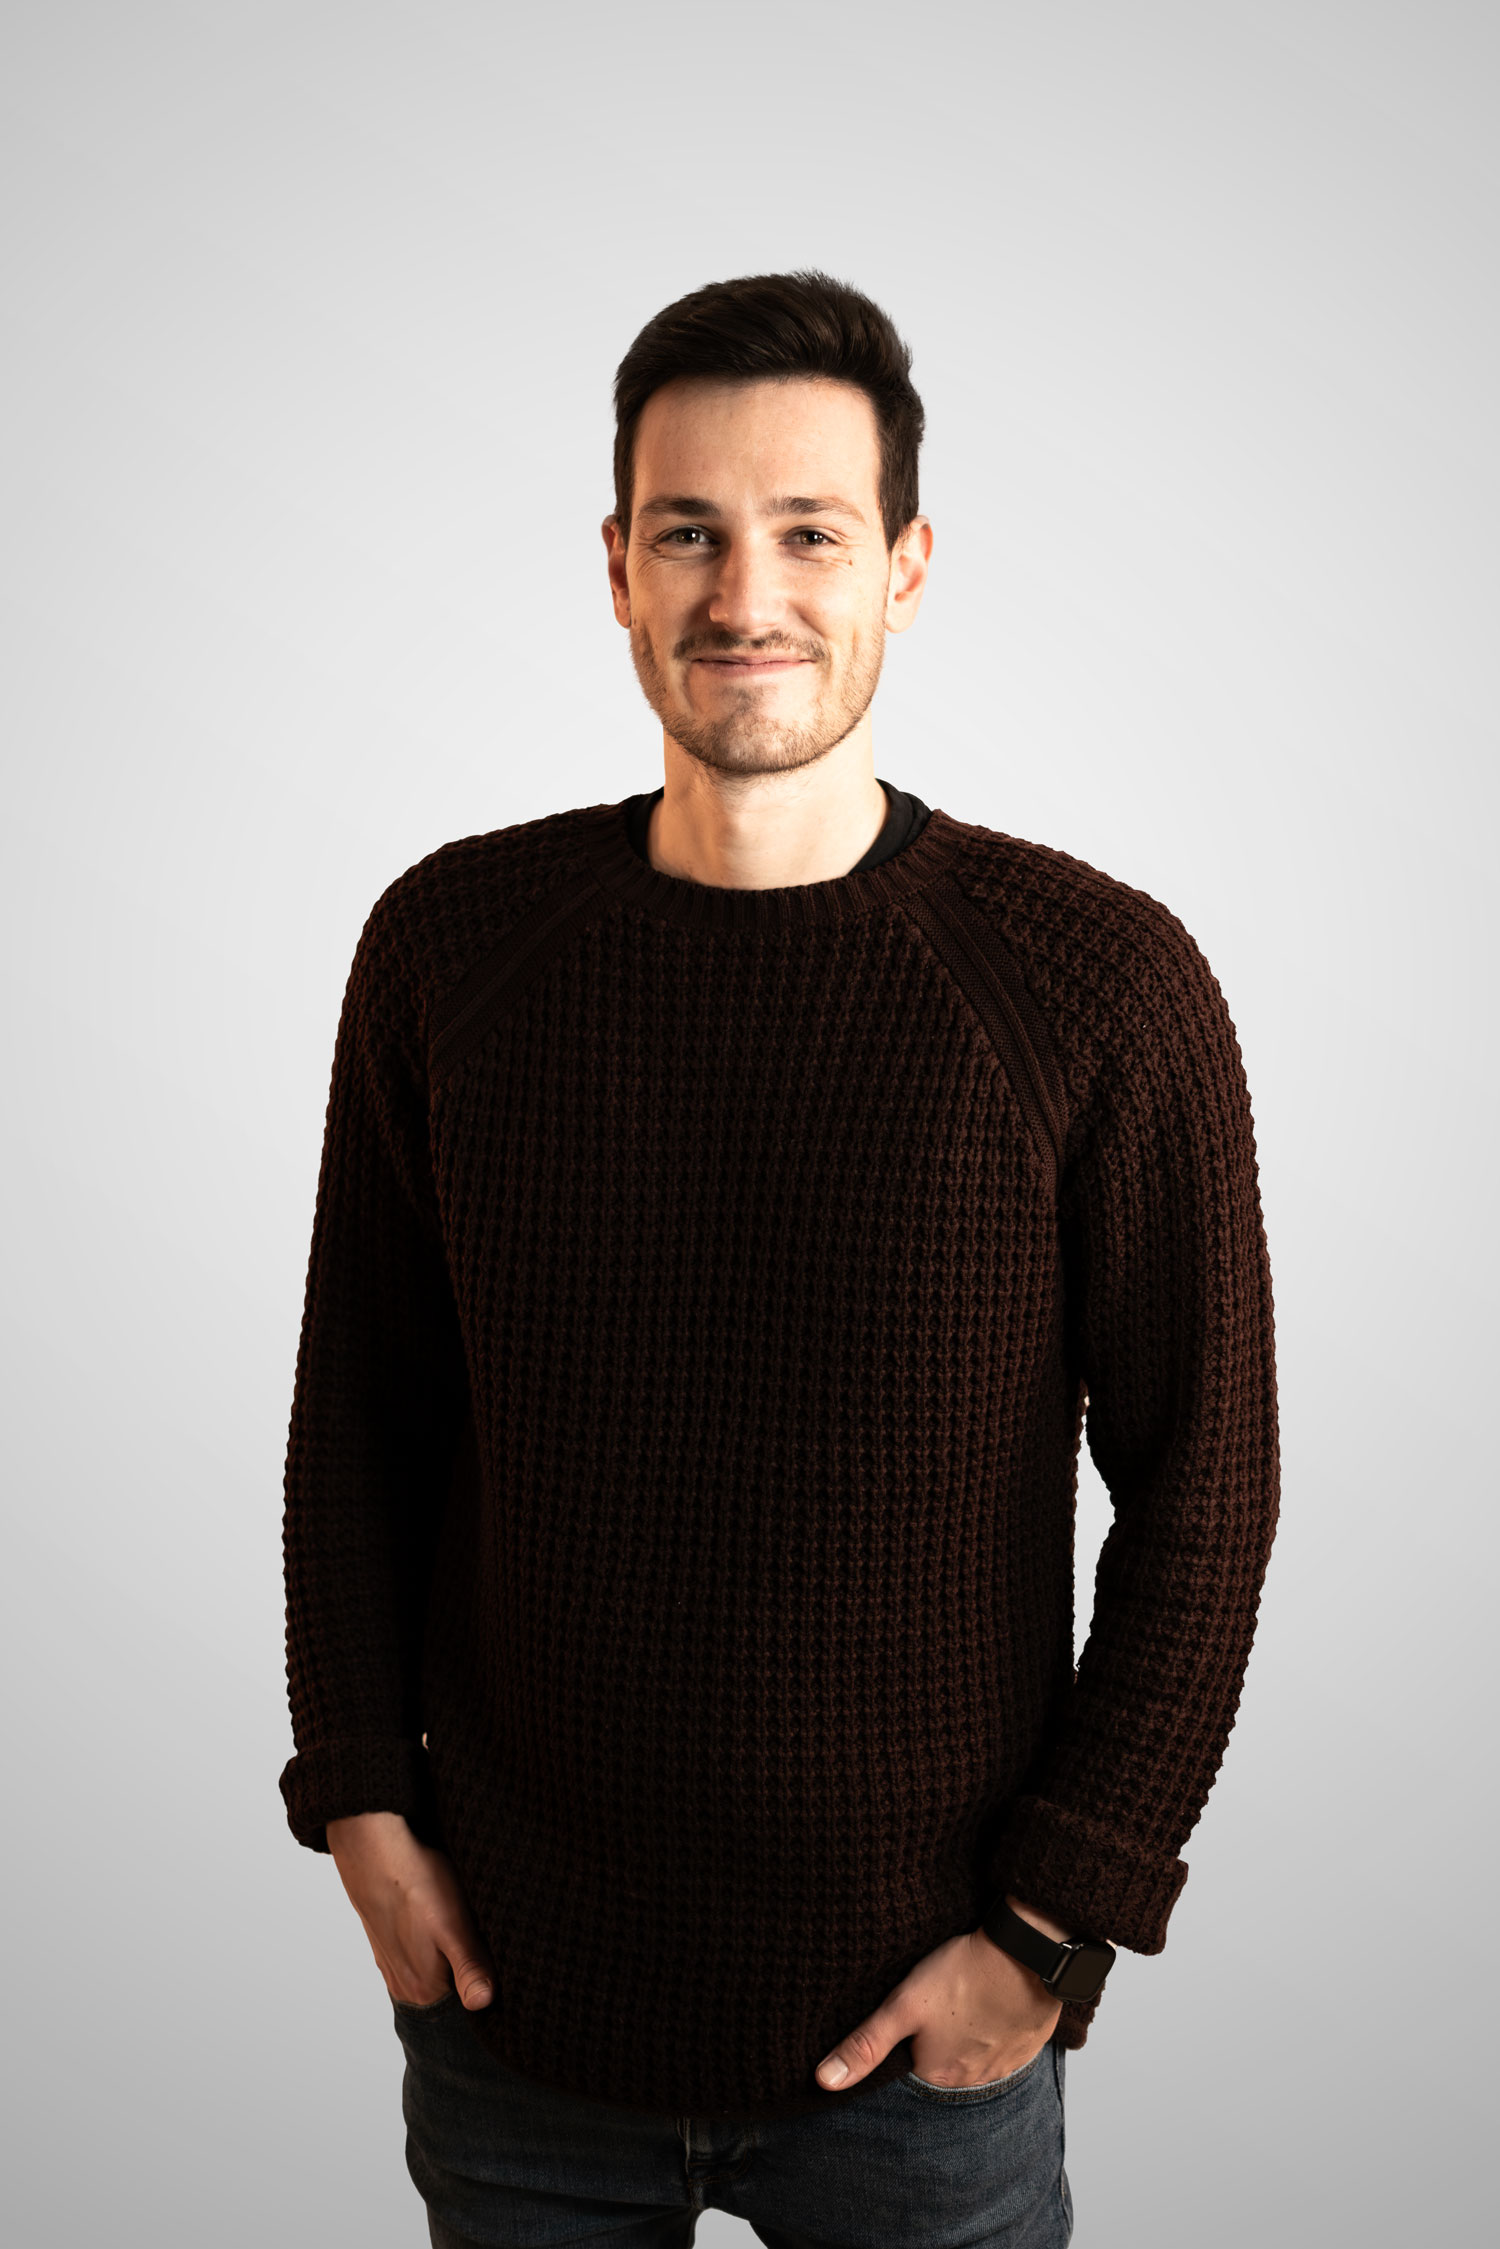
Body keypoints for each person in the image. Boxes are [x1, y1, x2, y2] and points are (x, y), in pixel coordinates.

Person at [279, 270, 1280, 2248]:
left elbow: (1206, 1484)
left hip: (926, 2051)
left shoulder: (1096, 984)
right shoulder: (451, 951)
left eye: (810, 532)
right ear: (617, 568)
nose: (746, 595)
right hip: (513, 2014)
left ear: (906, 566)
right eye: (690, 533)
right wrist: (361, 1799)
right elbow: (362, 1422)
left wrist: (1053, 1919)